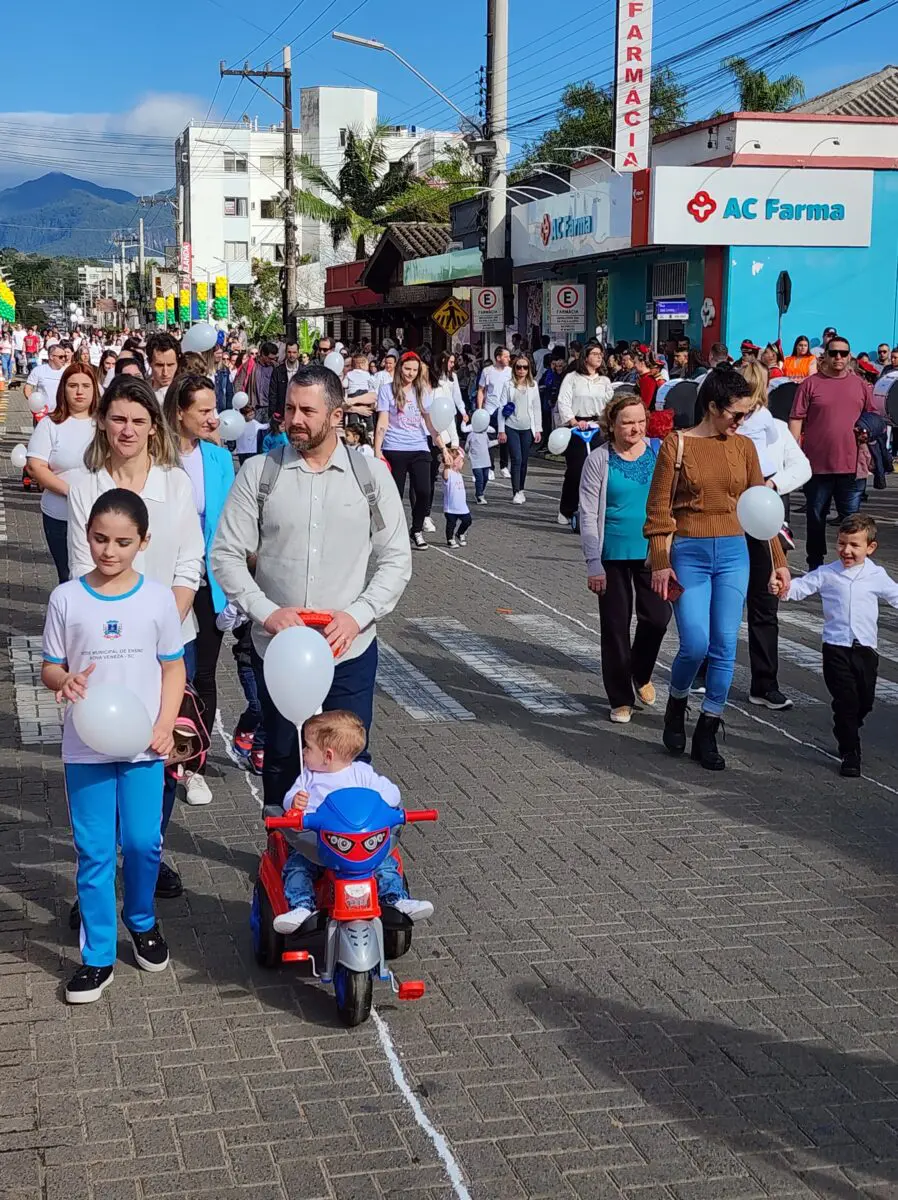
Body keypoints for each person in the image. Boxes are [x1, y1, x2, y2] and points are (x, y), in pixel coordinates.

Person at [210, 363, 412, 808]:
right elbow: (225, 554)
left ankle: (350, 854)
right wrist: (266, 611)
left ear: (336, 415)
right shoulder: (260, 474)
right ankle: (283, 859)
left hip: (349, 649)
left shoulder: (369, 477)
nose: (293, 420)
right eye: (288, 409)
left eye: (306, 410)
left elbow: (397, 559)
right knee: (283, 755)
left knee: (348, 756)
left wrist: (357, 615)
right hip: (278, 651)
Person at [41, 489, 186, 1003]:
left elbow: (173, 666)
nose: (110, 551)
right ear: (87, 536)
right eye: (101, 539)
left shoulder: (156, 599)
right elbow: (50, 666)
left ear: (143, 542)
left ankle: (141, 919)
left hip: (144, 746)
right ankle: (97, 954)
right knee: (96, 851)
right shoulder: (66, 599)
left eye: (123, 541)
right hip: (86, 748)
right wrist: (63, 680)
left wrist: (166, 725)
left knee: (145, 843)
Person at [66, 375, 204, 899]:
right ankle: (98, 880)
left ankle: (148, 853)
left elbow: (190, 557)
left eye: (139, 420)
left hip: (173, 633)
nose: (127, 429)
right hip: (104, 645)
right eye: (118, 418)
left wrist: (165, 619)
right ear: (103, 421)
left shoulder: (174, 482)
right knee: (104, 752)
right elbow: (82, 569)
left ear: (154, 426)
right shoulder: (86, 486)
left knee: (162, 745)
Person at [645, 368, 790, 771]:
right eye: (736, 413)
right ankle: (677, 703)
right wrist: (660, 561)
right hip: (688, 552)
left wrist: (779, 562)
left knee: (725, 644)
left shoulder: (743, 447)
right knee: (695, 643)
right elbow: (658, 510)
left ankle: (709, 725)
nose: (741, 422)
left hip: (733, 553)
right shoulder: (677, 444)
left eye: (746, 414)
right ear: (713, 406)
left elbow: (762, 510)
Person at [273, 711, 433, 933]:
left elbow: (392, 793)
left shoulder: (362, 773)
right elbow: (289, 800)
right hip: (320, 845)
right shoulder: (308, 777)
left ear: (327, 755)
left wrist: (381, 808)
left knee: (386, 864)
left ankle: (396, 900)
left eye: (308, 747)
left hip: (361, 845)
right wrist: (295, 803)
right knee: (298, 867)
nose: (303, 752)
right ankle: (301, 907)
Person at [775, 515, 898, 777]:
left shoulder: (877, 575)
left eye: (854, 545)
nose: (847, 551)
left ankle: (847, 725)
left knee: (865, 700)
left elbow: (895, 596)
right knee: (846, 699)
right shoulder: (827, 573)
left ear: (870, 548)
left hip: (866, 648)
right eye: (842, 544)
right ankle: (850, 751)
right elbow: (798, 588)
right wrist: (781, 587)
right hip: (836, 648)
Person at [163, 374, 236, 806]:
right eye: (204, 411)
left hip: (209, 582)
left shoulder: (219, 459)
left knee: (202, 675)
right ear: (179, 413)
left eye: (214, 408)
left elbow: (229, 522)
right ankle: (157, 756)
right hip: (165, 582)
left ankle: (193, 765)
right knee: (169, 671)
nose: (213, 418)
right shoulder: (155, 458)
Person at [579, 391, 671, 724]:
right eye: (627, 422)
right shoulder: (598, 459)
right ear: (612, 425)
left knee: (659, 618)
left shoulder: (659, 453)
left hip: (652, 552)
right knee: (616, 626)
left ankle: (641, 672)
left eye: (640, 422)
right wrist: (593, 562)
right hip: (612, 555)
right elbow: (588, 513)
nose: (635, 429)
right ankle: (620, 697)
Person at [735, 360, 811, 708]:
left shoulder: (777, 429)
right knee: (724, 601)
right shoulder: (725, 429)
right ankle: (705, 671)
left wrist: (773, 483)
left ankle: (764, 683)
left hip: (765, 524)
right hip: (727, 522)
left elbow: (802, 468)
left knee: (764, 604)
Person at [789, 335, 877, 570]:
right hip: (816, 466)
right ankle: (815, 568)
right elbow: (797, 419)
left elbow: (873, 416)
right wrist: (792, 452)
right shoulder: (810, 384)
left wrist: (869, 430)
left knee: (853, 523)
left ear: (849, 356)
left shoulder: (859, 384)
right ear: (825, 356)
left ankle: (853, 568)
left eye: (844, 353)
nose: (839, 357)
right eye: (834, 352)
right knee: (816, 519)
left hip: (851, 467)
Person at [26, 362, 98, 584]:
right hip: (61, 516)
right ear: (62, 389)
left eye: (86, 385)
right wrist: (70, 492)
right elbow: (35, 466)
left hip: (100, 516)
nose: (79, 392)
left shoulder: (105, 423)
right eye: (73, 385)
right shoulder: (51, 424)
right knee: (69, 578)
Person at [374, 351, 447, 551]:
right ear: (399, 368)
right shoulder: (387, 390)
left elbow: (430, 423)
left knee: (424, 491)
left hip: (419, 447)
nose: (411, 373)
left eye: (415, 370)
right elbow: (382, 421)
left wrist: (443, 447)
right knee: (394, 495)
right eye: (407, 369)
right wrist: (377, 450)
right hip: (394, 447)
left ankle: (416, 529)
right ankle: (392, 532)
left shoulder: (422, 391)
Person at [556, 343, 614, 526]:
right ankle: (567, 508)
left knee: (599, 469)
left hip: (598, 427)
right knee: (576, 470)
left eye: (600, 354)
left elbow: (610, 404)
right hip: (578, 428)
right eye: (595, 354)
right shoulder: (572, 378)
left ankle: (596, 510)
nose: (599, 357)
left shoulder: (604, 381)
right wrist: (573, 421)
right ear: (585, 357)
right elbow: (563, 401)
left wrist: (605, 422)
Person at [497, 354, 542, 503]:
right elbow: (502, 408)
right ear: (514, 369)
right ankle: (516, 491)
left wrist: (538, 429)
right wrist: (501, 430)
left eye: (525, 367)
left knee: (524, 460)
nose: (521, 370)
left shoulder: (533, 385)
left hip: (527, 427)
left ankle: (521, 489)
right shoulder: (508, 385)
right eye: (518, 367)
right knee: (516, 458)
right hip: (511, 426)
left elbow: (536, 408)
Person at [476, 346, 512, 475]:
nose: (509, 359)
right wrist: (479, 409)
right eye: (506, 356)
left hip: (505, 410)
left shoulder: (511, 372)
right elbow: (481, 390)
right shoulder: (487, 371)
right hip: (490, 409)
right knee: (489, 440)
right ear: (498, 358)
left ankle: (504, 466)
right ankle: (490, 467)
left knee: (504, 438)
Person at [24, 341, 71, 416]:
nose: (63, 359)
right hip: (43, 414)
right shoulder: (38, 370)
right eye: (61, 357)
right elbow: (27, 388)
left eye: (65, 356)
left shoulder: (67, 371)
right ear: (51, 357)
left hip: (62, 414)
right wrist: (35, 404)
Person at [442, 447, 472, 548]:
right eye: (460, 461)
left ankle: (460, 533)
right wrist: (447, 465)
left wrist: (458, 448)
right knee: (451, 524)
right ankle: (450, 539)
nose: (462, 463)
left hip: (462, 506)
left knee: (467, 520)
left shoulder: (459, 474)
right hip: (451, 507)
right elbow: (445, 476)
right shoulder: (449, 473)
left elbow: (462, 454)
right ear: (454, 462)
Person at [146, 333, 181, 405]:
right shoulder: (141, 392)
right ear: (149, 363)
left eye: (170, 365)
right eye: (159, 365)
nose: (165, 372)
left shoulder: (185, 394)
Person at [269, 341, 301, 418]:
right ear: (285, 353)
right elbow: (273, 394)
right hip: (282, 413)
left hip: (300, 412)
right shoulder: (278, 371)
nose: (291, 355)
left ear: (298, 353)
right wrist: (273, 414)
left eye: (294, 352)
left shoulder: (304, 370)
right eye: (289, 352)